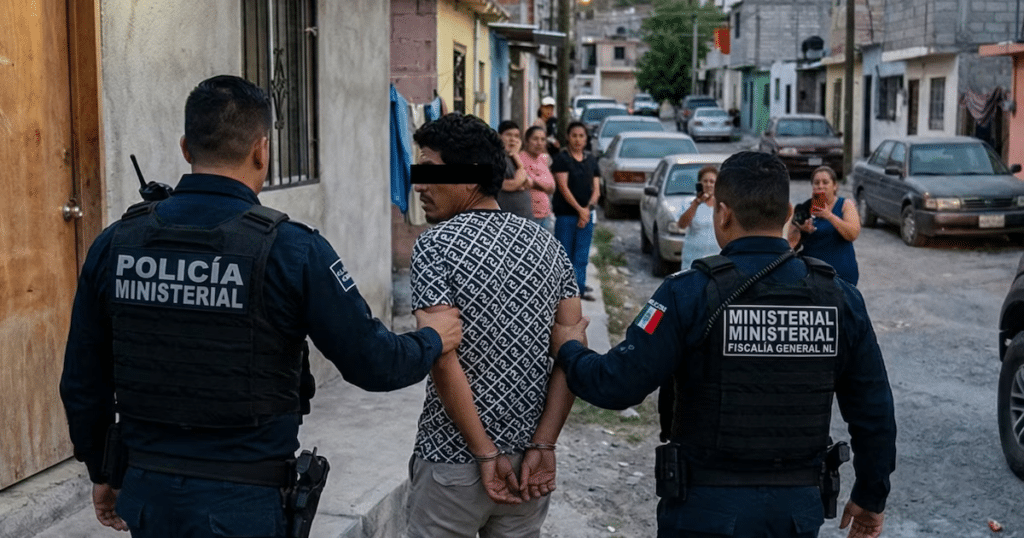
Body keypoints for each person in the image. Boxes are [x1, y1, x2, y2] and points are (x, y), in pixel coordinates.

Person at [59, 75, 462, 538]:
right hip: (243, 504)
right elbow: (373, 363)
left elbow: (82, 380)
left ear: (186, 148)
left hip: (148, 495)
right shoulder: (292, 249)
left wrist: (102, 470)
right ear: (262, 151)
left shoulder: (116, 243)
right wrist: (434, 338)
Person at [551, 152, 896, 538]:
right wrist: (870, 496)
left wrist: (570, 349)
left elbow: (617, 384)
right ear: (786, 212)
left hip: (706, 505)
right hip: (796, 509)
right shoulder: (840, 298)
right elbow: (874, 411)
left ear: (723, 213)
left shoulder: (688, 293)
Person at [407, 112, 582, 538]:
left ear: (470, 178)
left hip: (452, 461)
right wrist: (544, 444)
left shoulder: (434, 246)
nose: (419, 185)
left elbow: (443, 360)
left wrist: (485, 454)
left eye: (431, 172)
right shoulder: (548, 245)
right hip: (527, 467)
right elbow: (573, 354)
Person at [551, 121, 600, 301]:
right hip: (566, 216)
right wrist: (580, 210)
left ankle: (579, 289)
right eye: (574, 135)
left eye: (581, 136)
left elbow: (597, 190)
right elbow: (563, 188)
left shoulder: (591, 160)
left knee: (581, 255)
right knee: (565, 255)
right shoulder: (562, 159)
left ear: (586, 139)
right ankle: (564, 292)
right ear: (567, 137)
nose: (578, 139)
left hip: (586, 217)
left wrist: (586, 210)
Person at [787, 165, 861, 285]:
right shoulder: (804, 208)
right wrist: (802, 230)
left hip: (841, 276)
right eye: (816, 183)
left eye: (825, 182)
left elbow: (852, 234)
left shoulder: (845, 205)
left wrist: (829, 216)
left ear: (835, 186)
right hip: (812, 275)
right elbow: (791, 244)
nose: (820, 186)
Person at [676, 165, 720, 271]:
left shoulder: (722, 205)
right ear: (700, 183)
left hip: (717, 262)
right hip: (693, 261)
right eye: (705, 181)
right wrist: (697, 202)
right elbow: (682, 225)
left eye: (712, 181)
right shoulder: (689, 203)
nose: (708, 185)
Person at [520, 125, 557, 231]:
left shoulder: (542, 159)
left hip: (545, 215)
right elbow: (525, 182)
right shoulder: (520, 158)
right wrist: (543, 183)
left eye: (543, 139)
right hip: (529, 217)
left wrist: (535, 182)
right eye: (535, 139)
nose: (539, 143)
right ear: (526, 141)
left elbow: (552, 187)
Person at [496, 120, 534, 219]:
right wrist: (518, 182)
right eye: (508, 135)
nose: (513, 139)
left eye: (516, 136)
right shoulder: (496, 158)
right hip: (506, 219)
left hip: (524, 218)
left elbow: (528, 183)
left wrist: (515, 155)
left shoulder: (514, 158)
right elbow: (510, 185)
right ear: (499, 136)